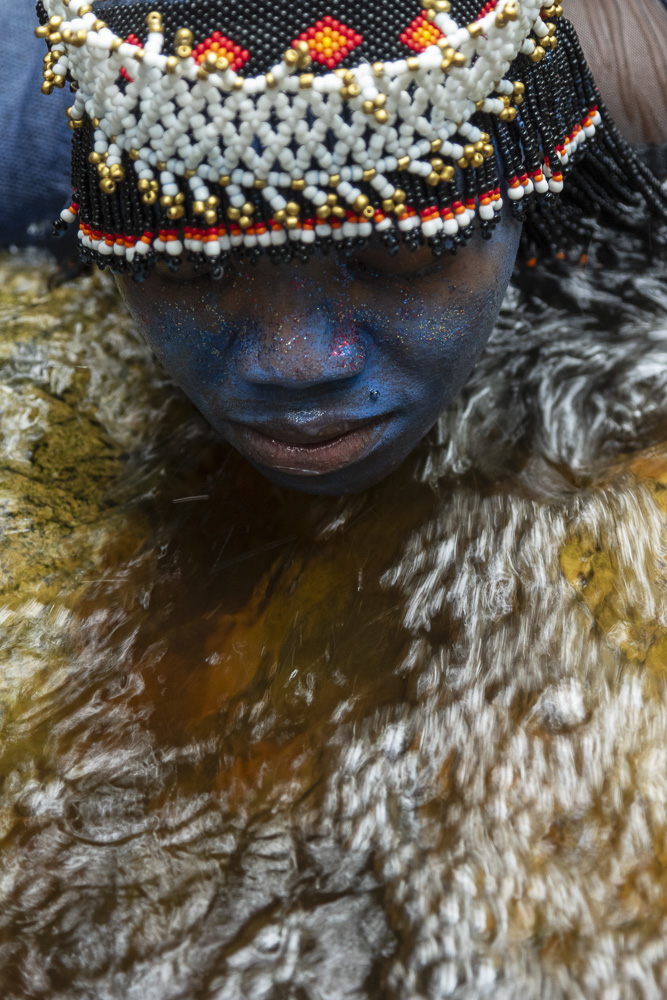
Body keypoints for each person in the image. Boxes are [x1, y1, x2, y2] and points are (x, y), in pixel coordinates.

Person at [23, 0, 667, 496]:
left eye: (400, 250)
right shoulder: (25, 148)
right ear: (97, 210)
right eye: (188, 260)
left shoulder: (635, 86)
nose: (296, 363)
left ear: (542, 145)